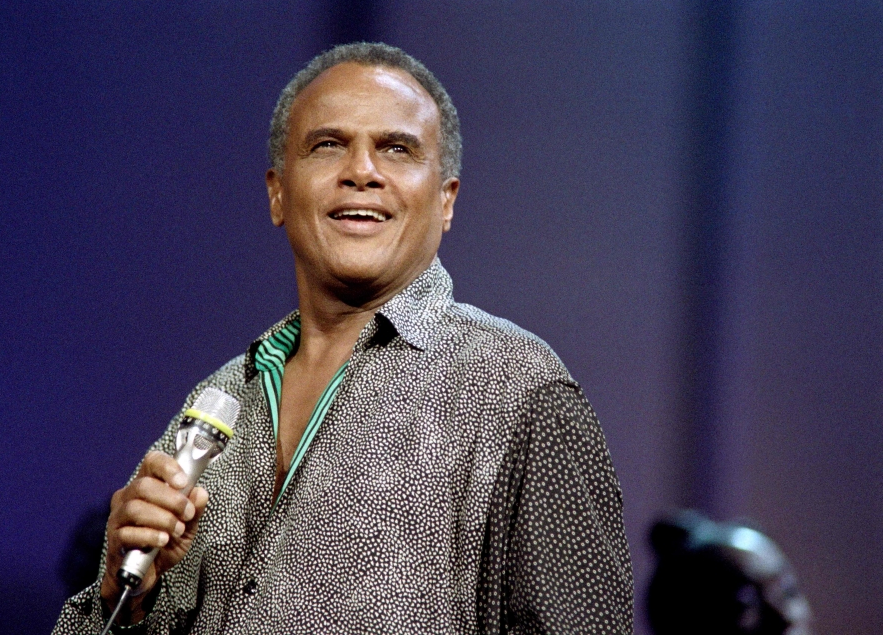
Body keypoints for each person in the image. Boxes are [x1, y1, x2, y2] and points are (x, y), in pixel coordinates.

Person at [53, 42, 633, 635]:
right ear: (278, 193)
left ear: (445, 200)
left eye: (397, 148)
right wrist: (123, 598)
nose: (362, 171)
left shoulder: (520, 388)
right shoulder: (220, 401)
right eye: (328, 145)